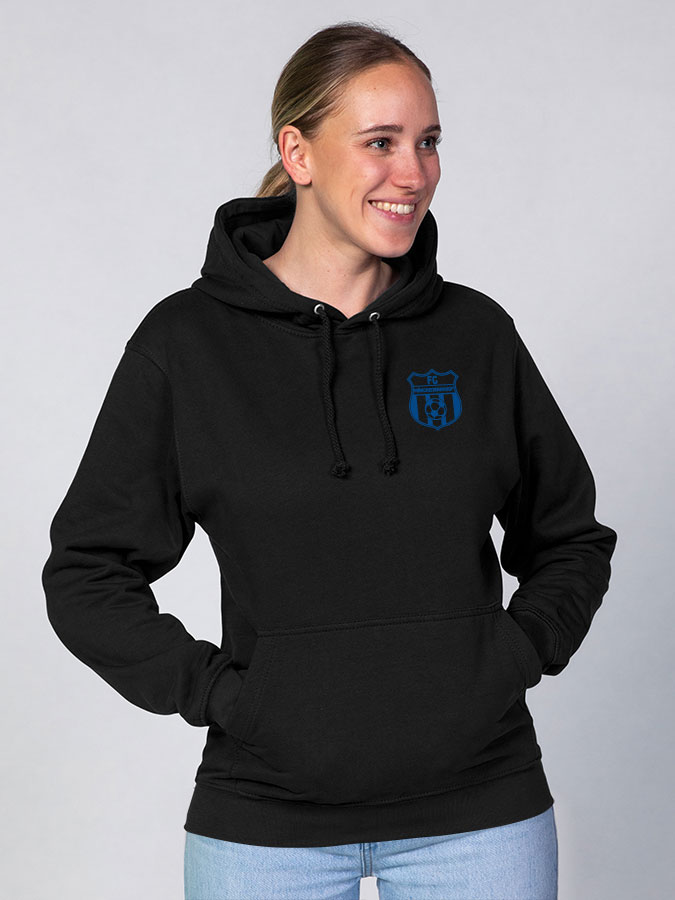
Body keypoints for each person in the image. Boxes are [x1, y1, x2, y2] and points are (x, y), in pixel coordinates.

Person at [42, 20, 618, 900]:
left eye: (427, 142)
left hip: (481, 813)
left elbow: (570, 537)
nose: (413, 172)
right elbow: (87, 572)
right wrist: (226, 697)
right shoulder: (188, 346)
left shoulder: (474, 336)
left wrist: (509, 656)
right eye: (380, 142)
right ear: (298, 152)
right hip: (266, 823)